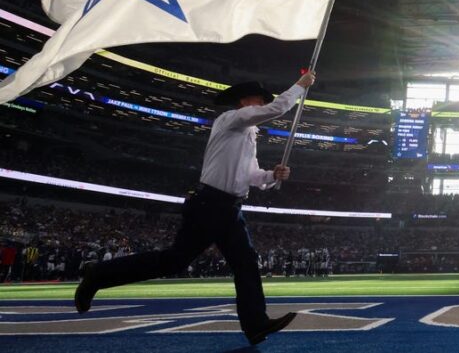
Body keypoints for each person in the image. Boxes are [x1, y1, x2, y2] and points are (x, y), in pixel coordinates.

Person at [74, 71, 316, 345]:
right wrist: (299, 86)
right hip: (210, 204)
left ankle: (256, 323)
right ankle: (98, 274)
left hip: (230, 208)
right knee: (174, 261)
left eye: (262, 101)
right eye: (258, 100)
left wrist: (272, 175)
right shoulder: (231, 119)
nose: (261, 105)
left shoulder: (248, 135)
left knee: (246, 263)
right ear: (243, 101)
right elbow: (278, 109)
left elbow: (250, 176)